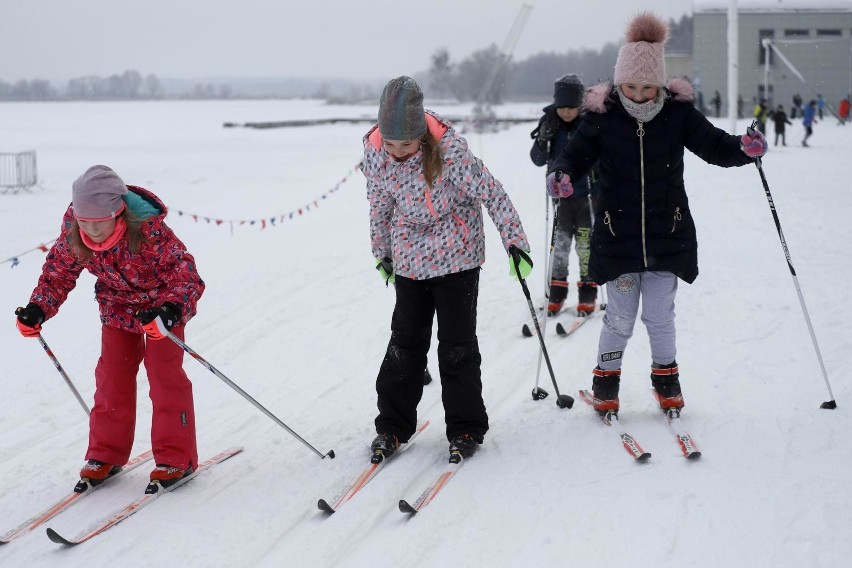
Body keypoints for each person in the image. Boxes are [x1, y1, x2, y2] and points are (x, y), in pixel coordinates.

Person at [547, 12, 766, 413]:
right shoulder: (603, 116)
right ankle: (606, 383)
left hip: (669, 235)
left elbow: (713, 145)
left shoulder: (677, 115)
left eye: (647, 87)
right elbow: (574, 154)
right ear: (618, 82)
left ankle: (666, 381)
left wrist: (743, 148)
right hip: (618, 239)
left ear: (661, 85)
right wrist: (561, 173)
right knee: (620, 319)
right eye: (630, 86)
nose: (638, 94)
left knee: (661, 318)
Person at [362, 77, 532, 462]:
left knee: (456, 346)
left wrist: (515, 242)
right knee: (404, 344)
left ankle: (466, 426)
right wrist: (382, 252)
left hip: (458, 257)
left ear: (421, 134)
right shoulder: (377, 157)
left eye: (406, 144)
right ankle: (391, 426)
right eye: (391, 144)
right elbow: (379, 208)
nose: (398, 152)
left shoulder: (452, 154)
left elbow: (493, 193)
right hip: (409, 259)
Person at [15, 165, 205, 489]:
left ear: (118, 214)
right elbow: (59, 271)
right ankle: (105, 453)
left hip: (159, 310)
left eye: (99, 223)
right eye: (84, 221)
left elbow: (187, 276)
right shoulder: (76, 231)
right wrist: (38, 308)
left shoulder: (148, 231)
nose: (91, 230)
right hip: (117, 307)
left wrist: (171, 310)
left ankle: (176, 457)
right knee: (111, 377)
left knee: (164, 376)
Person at [530, 73, 600, 316]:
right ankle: (557, 293)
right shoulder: (549, 121)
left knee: (585, 245)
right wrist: (542, 139)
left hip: (588, 196)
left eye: (572, 108)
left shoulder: (590, 122)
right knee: (559, 246)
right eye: (562, 108)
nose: (567, 113)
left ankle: (588, 293)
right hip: (560, 197)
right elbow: (538, 160)